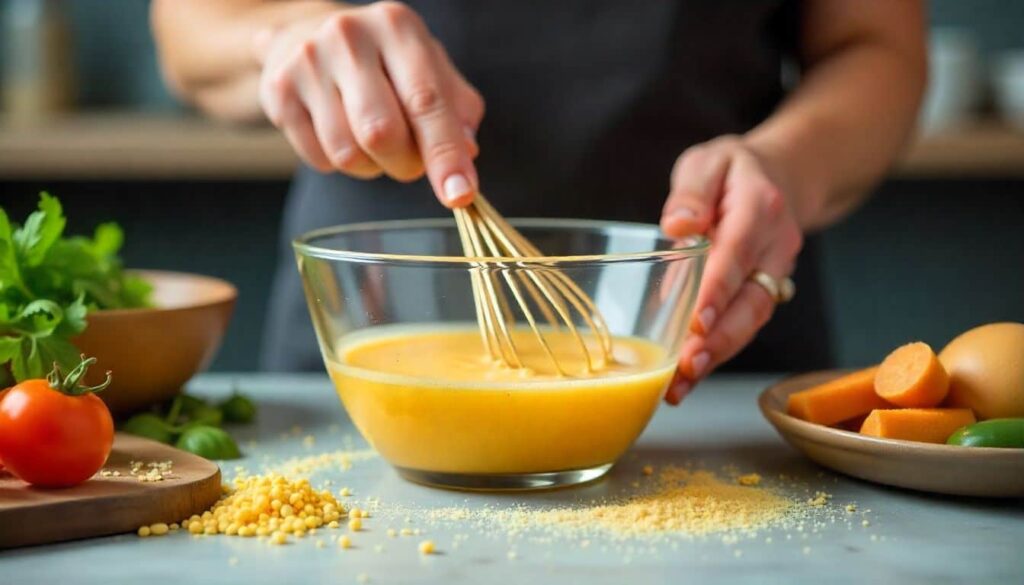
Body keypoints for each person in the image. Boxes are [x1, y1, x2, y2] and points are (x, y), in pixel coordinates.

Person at [151, 1, 925, 404]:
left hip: (709, 345)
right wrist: (287, 36)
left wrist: (785, 166)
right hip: (362, 357)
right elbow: (189, 22)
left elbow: (877, 45)